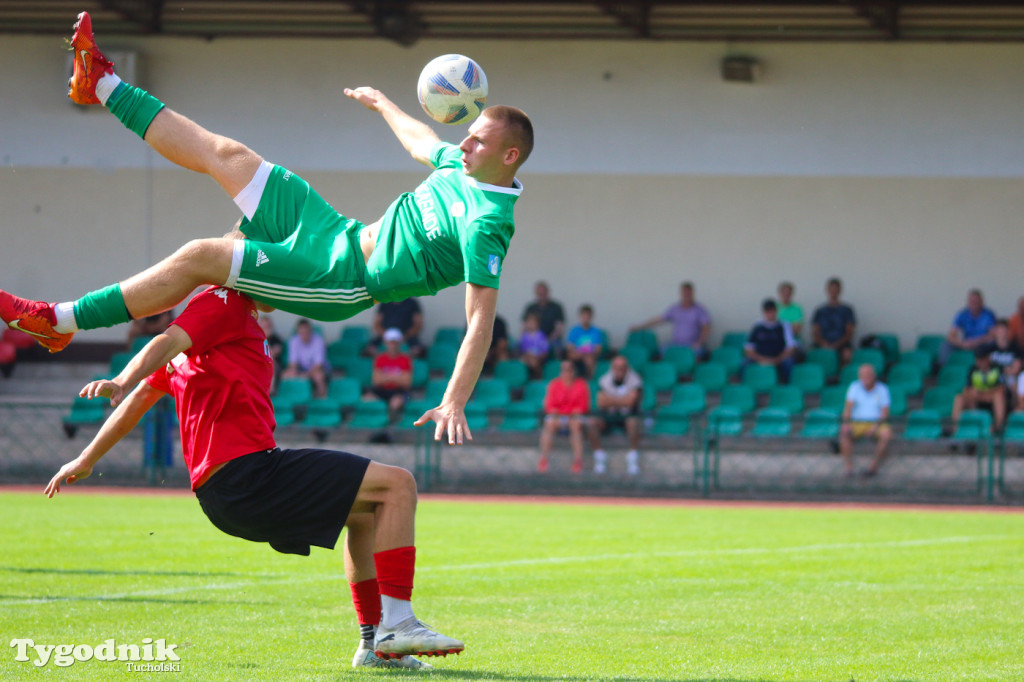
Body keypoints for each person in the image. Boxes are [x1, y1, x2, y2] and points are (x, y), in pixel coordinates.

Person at [0, 11, 533, 446]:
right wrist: (383, 104)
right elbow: (422, 141)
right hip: (335, 232)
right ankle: (102, 82)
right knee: (228, 154)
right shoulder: (459, 166)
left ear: (509, 156)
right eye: (466, 136)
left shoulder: (487, 222)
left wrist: (455, 397)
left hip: (342, 280)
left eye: (477, 141)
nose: (462, 144)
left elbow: (480, 320)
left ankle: (59, 321)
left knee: (202, 254)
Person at [43, 284, 460, 668]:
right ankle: (397, 625)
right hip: (249, 474)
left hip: (225, 492)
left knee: (367, 513)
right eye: (279, 265)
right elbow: (161, 347)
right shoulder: (224, 301)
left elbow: (142, 398)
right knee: (398, 483)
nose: (288, 276)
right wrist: (119, 379)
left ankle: (374, 646)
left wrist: (85, 457)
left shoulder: (209, 335)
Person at [588, 354, 644, 475]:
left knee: (633, 423)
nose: (619, 370)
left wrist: (611, 400)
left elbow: (631, 402)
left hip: (627, 416)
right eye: (616, 367)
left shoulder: (635, 379)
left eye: (622, 367)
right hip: (609, 415)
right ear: (612, 368)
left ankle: (632, 458)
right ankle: (600, 457)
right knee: (592, 423)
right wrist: (622, 400)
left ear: (627, 368)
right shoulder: (604, 379)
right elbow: (600, 401)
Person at [630, 281, 711, 360]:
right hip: (676, 343)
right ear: (681, 294)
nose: (686, 295)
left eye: (688, 293)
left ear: (692, 294)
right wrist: (639, 327)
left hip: (692, 344)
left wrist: (699, 342)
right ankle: (667, 373)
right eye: (684, 293)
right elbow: (658, 320)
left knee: (697, 354)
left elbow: (706, 327)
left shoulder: (699, 310)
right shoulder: (675, 309)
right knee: (662, 351)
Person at [839, 364, 892, 478]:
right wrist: (846, 423)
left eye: (868, 375)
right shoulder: (854, 387)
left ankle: (872, 468)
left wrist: (875, 427)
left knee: (887, 435)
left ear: (874, 376)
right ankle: (849, 468)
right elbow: (848, 408)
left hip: (877, 423)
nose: (865, 378)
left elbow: (884, 413)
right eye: (863, 375)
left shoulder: (882, 389)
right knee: (844, 433)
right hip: (857, 422)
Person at [538, 360, 590, 474]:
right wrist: (558, 413)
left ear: (573, 371)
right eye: (564, 370)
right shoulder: (554, 384)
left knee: (575, 425)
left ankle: (578, 461)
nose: (566, 373)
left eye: (569, 370)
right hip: (559, 417)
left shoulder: (581, 384)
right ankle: (544, 460)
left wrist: (570, 413)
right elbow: (549, 406)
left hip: (574, 417)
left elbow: (583, 406)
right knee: (549, 423)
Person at [952, 347, 1006, 433]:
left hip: (991, 399)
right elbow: (966, 389)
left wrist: (985, 393)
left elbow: (1001, 388)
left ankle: (998, 428)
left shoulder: (997, 368)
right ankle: (955, 430)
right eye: (978, 359)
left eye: (982, 359)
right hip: (976, 399)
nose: (980, 362)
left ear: (988, 358)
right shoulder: (973, 369)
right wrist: (976, 394)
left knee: (998, 396)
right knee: (959, 398)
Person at [743, 299, 798, 382]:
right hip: (760, 358)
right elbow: (749, 348)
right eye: (768, 311)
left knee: (789, 362)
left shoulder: (784, 325)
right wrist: (761, 359)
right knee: (744, 363)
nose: (770, 314)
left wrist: (778, 359)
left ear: (776, 311)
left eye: (772, 311)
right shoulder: (757, 326)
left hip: (779, 358)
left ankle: (785, 385)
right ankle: (746, 385)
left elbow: (790, 347)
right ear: (764, 312)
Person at [367, 328, 413, 418]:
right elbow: (376, 381)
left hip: (398, 391)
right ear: (386, 343)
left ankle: (392, 425)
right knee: (366, 399)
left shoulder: (405, 359)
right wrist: (397, 377)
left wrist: (385, 377)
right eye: (390, 342)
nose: (392, 345)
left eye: (395, 342)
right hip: (382, 390)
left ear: (399, 343)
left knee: (395, 403)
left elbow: (406, 383)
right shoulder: (380, 358)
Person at [943, 288, 997, 363]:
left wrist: (976, 342)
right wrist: (962, 343)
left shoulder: (988, 314)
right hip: (965, 343)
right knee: (946, 345)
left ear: (982, 302)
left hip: (981, 343)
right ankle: (944, 369)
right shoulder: (962, 314)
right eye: (972, 301)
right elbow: (951, 335)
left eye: (976, 301)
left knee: (991, 344)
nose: (974, 303)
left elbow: (993, 335)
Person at [811, 277, 856, 366]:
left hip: (841, 344)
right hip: (822, 344)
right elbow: (815, 332)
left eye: (836, 289)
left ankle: (842, 377)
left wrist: (836, 345)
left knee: (847, 355)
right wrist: (824, 344)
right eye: (831, 289)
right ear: (827, 290)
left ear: (840, 290)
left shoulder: (847, 310)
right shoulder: (820, 310)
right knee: (811, 355)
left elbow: (849, 332)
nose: (833, 291)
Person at [282, 318, 330, 398]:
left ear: (311, 331)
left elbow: (318, 365)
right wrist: (296, 373)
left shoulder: (319, 340)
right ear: (298, 331)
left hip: (318, 369)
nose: (304, 334)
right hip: (301, 369)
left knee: (318, 376)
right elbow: (292, 364)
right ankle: (288, 399)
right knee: (285, 375)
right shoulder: (294, 341)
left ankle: (322, 398)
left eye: (306, 332)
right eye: (302, 332)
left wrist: (305, 375)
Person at [521, 281, 565, 354]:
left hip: (551, 339)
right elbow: (524, 327)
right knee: (517, 345)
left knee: (557, 347)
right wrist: (529, 339)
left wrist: (546, 341)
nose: (542, 296)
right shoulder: (530, 308)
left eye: (543, 293)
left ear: (548, 292)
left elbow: (559, 329)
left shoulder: (556, 307)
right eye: (539, 294)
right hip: (532, 339)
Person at [565, 304, 607, 379]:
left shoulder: (596, 331)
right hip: (577, 355)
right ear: (580, 316)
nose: (585, 317)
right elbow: (570, 347)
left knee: (589, 359)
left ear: (591, 316)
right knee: (570, 357)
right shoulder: (574, 330)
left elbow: (598, 349)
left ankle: (589, 379)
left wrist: (585, 352)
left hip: (590, 355)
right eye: (583, 315)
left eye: (588, 315)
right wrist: (580, 353)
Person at [257, 314, 285, 394]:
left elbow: (271, 353)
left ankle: (270, 390)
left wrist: (265, 338)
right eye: (264, 327)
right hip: (260, 364)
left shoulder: (277, 339)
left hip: (276, 367)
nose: (266, 329)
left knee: (271, 361)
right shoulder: (256, 339)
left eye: (267, 326)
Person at [518, 311, 550, 379]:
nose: (531, 324)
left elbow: (544, 350)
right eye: (529, 322)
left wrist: (537, 356)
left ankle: (538, 377)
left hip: (539, 357)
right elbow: (523, 349)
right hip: (528, 356)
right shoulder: (524, 336)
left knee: (534, 361)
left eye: (533, 323)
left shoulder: (541, 335)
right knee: (521, 361)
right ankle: (525, 378)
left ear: (537, 324)